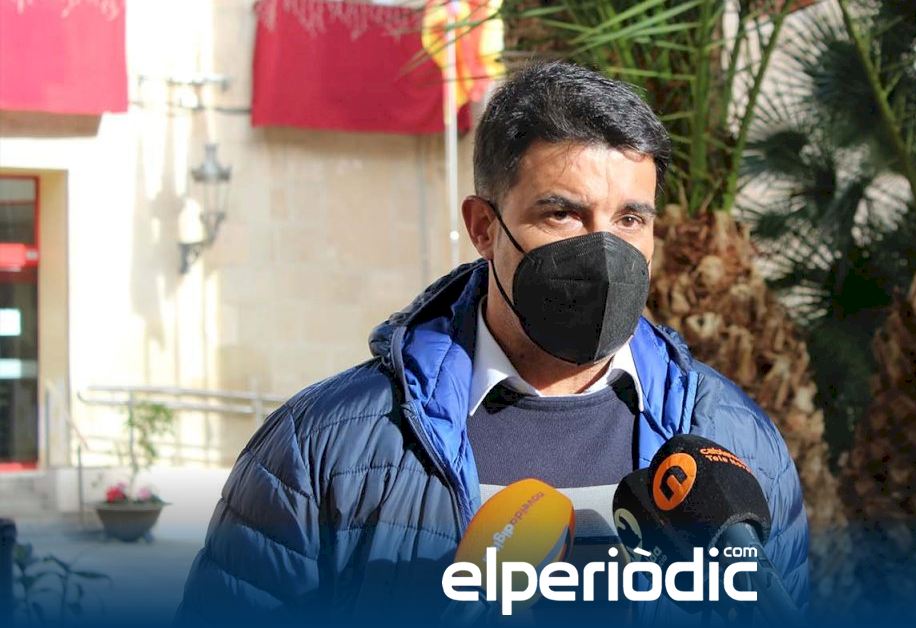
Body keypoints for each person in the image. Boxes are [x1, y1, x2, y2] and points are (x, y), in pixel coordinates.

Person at [175, 61, 809, 625]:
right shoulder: (320, 449)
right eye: (563, 213)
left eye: (629, 218)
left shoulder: (738, 444)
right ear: (483, 226)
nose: (604, 251)